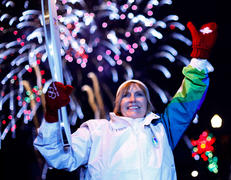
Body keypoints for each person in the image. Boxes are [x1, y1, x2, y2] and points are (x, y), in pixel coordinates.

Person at [34, 21, 217, 180]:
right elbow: (59, 157)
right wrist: (51, 115)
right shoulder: (97, 131)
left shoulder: (162, 130)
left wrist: (199, 60)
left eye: (139, 94)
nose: (132, 99)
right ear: (118, 104)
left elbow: (185, 102)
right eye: (126, 95)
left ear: (147, 103)